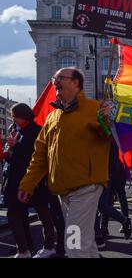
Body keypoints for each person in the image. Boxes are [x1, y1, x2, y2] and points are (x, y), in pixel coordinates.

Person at [18, 68, 111, 258]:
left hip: (86, 187)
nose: (55, 82)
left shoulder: (94, 108)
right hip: (63, 191)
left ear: (76, 83)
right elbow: (40, 155)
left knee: (74, 244)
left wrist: (106, 121)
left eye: (60, 78)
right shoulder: (52, 117)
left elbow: (108, 136)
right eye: (54, 78)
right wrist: (27, 184)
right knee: (87, 244)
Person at [3, 103, 55, 258]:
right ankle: (23, 249)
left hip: (34, 181)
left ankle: (49, 246)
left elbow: (35, 156)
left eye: (14, 116)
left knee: (43, 213)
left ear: (22, 115)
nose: (13, 119)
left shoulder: (36, 131)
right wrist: (9, 152)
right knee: (14, 214)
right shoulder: (17, 130)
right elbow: (16, 156)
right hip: (15, 180)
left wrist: (15, 146)